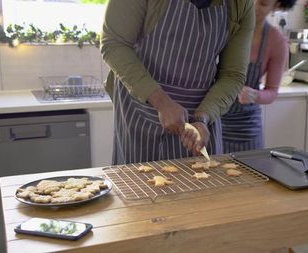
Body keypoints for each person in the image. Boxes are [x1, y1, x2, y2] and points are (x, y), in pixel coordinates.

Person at [100, 0, 255, 164]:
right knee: (141, 184)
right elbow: (114, 44)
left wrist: (203, 117)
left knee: (204, 186)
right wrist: (161, 102)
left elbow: (232, 75)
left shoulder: (241, 5)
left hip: (202, 121)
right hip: (141, 112)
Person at [221, 0, 297, 153]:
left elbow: (272, 92)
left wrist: (254, 95)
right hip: (213, 121)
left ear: (275, 6)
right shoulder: (224, 27)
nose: (253, 6)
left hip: (246, 129)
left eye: (262, 4)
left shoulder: (276, 42)